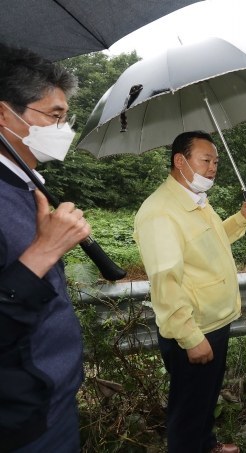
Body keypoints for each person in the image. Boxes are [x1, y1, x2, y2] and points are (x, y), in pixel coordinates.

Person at [134, 131, 246, 453]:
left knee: (205, 397)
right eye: (206, 160)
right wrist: (191, 337)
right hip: (194, 328)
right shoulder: (161, 213)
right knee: (188, 409)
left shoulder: (197, 202)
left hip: (214, 321)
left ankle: (208, 445)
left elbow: (212, 242)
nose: (214, 167)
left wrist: (241, 219)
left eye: (216, 161)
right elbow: (165, 283)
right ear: (180, 161)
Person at [0, 44, 90, 452]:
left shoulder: (24, 183)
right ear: (5, 114)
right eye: (54, 116)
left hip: (54, 403)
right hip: (21, 423)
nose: (63, 129)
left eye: (65, 118)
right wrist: (42, 253)